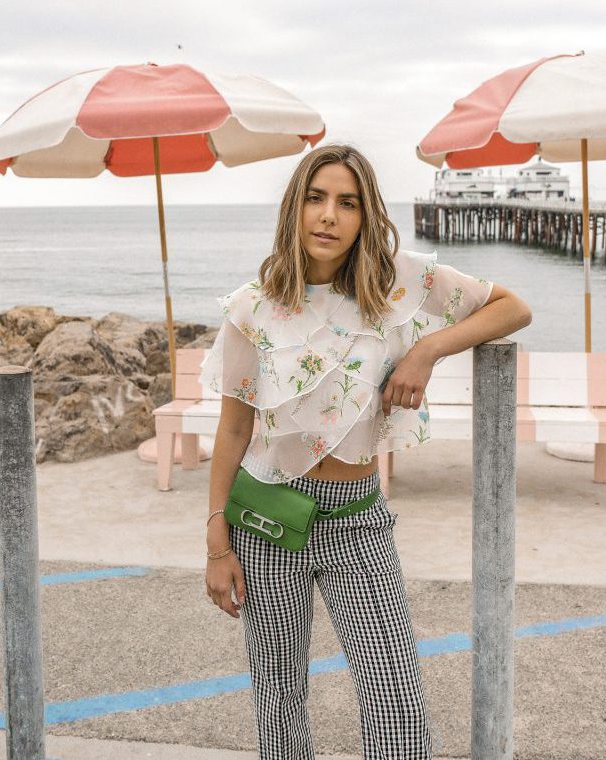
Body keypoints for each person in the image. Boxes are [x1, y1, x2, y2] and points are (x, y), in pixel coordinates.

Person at [199, 144, 532, 759]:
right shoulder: (252, 307)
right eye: (315, 199)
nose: (328, 216)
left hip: (357, 519)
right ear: (293, 209)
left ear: (366, 214)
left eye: (346, 203)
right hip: (268, 521)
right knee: (278, 704)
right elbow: (232, 431)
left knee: (395, 701)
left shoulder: (401, 280)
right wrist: (217, 544)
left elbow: (511, 307)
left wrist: (426, 351)